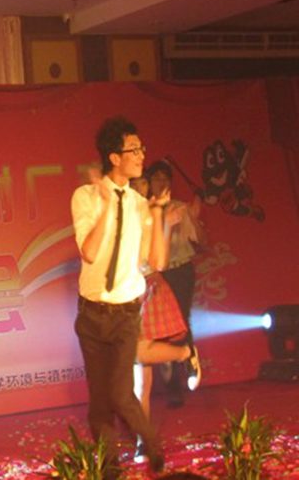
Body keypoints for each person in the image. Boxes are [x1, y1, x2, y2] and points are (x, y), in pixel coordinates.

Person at [70, 117, 169, 478]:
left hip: (126, 314)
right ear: (114, 157)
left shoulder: (141, 205)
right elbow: (90, 252)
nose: (142, 155)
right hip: (92, 313)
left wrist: (157, 216)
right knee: (99, 403)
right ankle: (110, 470)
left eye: (142, 148)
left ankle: (153, 446)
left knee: (120, 393)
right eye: (134, 149)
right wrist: (107, 204)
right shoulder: (85, 196)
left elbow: (157, 261)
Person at [130, 175, 201, 462]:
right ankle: (143, 440)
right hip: (124, 296)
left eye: (141, 184)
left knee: (139, 360)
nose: (138, 189)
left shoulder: (152, 212)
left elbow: (158, 259)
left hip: (148, 290)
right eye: (133, 185)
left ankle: (184, 353)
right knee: (140, 381)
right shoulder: (117, 213)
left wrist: (166, 223)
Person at [147, 160, 205, 406]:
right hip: (154, 275)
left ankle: (188, 362)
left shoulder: (179, 208)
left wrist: (195, 218)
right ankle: (170, 381)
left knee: (180, 321)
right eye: (157, 178)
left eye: (166, 178)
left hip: (180, 270)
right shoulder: (142, 210)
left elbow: (200, 242)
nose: (162, 183)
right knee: (158, 329)